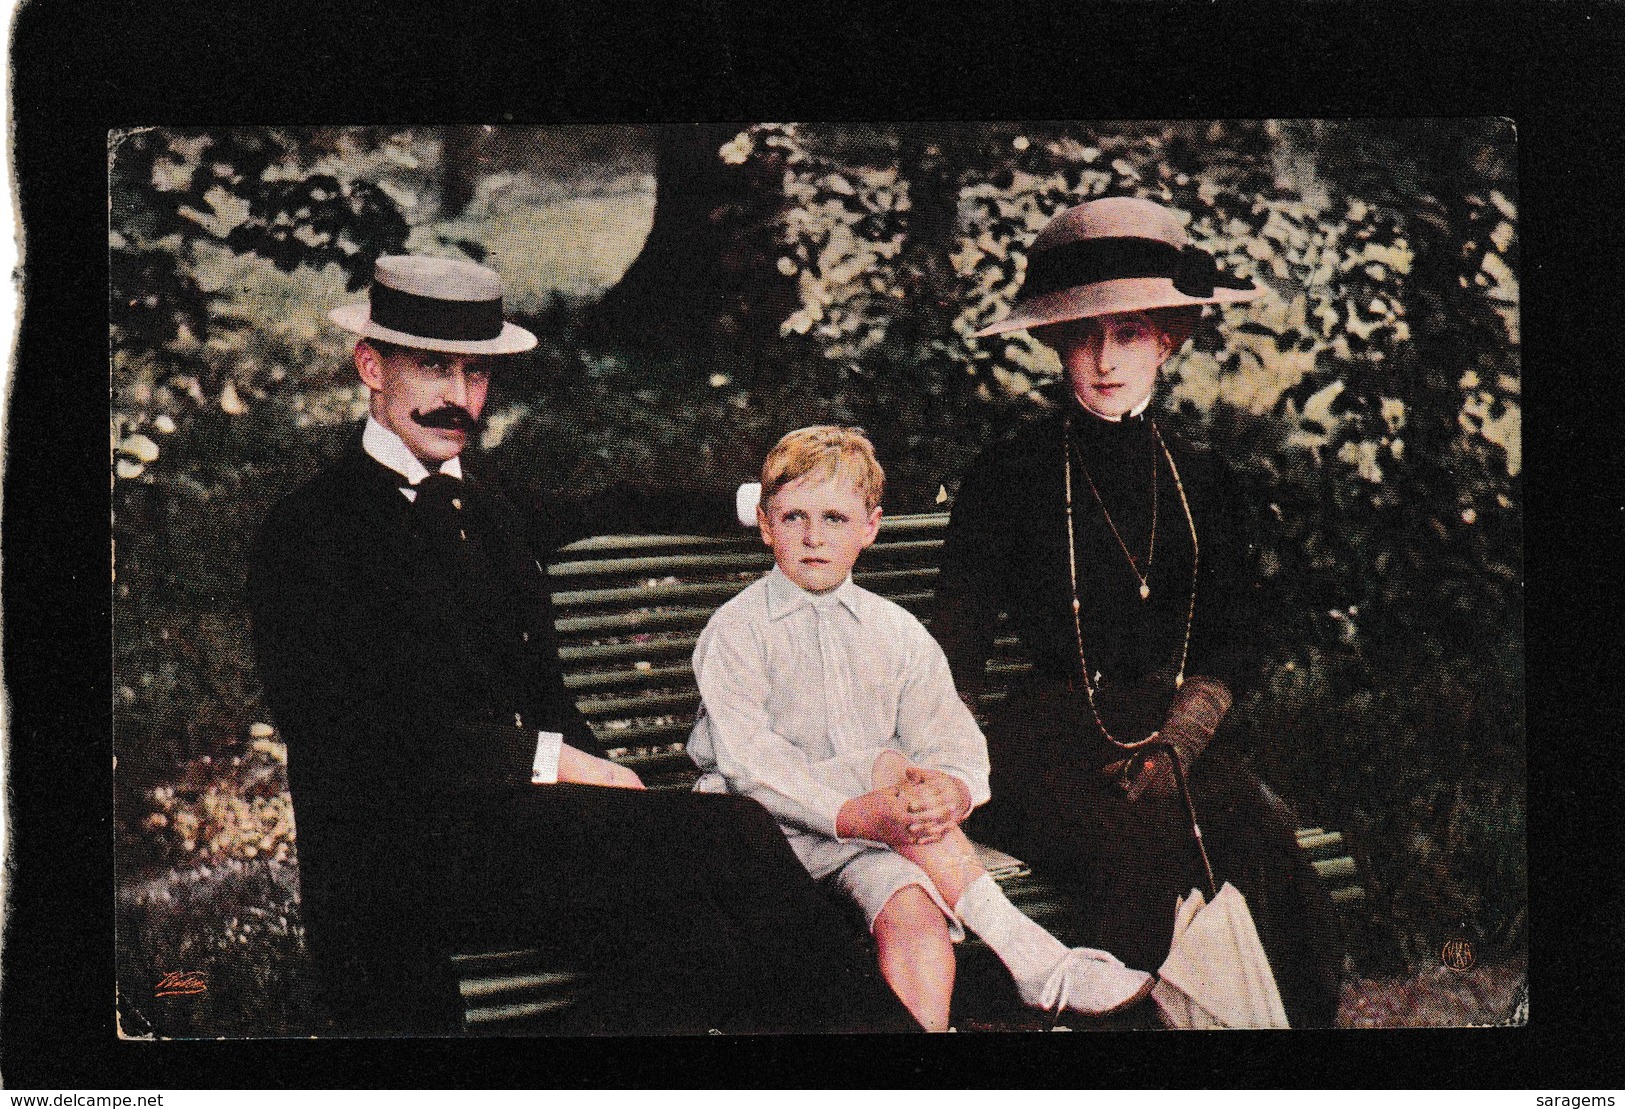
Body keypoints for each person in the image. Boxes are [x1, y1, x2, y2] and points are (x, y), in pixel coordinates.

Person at [247, 255, 920, 1035]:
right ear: (371, 365)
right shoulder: (310, 531)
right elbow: (347, 734)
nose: (458, 398)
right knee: (731, 832)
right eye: (433, 368)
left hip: (531, 836)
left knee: (703, 945)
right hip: (401, 854)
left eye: (477, 374)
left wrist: (774, 502)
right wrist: (558, 761)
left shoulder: (484, 499)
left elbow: (612, 502)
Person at [932, 197, 1346, 1027]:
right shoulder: (1007, 475)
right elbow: (953, 646)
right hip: (1044, 745)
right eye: (1082, 335)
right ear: (1053, 343)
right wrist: (946, 767)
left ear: (1166, 338)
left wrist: (1183, 735)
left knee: (1261, 842)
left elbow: (1235, 638)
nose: (1104, 358)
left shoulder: (1202, 475)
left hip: (1170, 736)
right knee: (1136, 857)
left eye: (1127, 334)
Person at [688, 426, 1155, 1031]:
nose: (812, 536)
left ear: (870, 527)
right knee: (886, 768)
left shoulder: (895, 632)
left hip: (876, 834)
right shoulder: (735, 631)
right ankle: (1036, 958)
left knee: (916, 916)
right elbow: (753, 765)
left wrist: (951, 789)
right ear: (765, 522)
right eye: (793, 516)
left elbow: (952, 741)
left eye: (834, 517)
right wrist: (860, 809)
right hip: (762, 836)